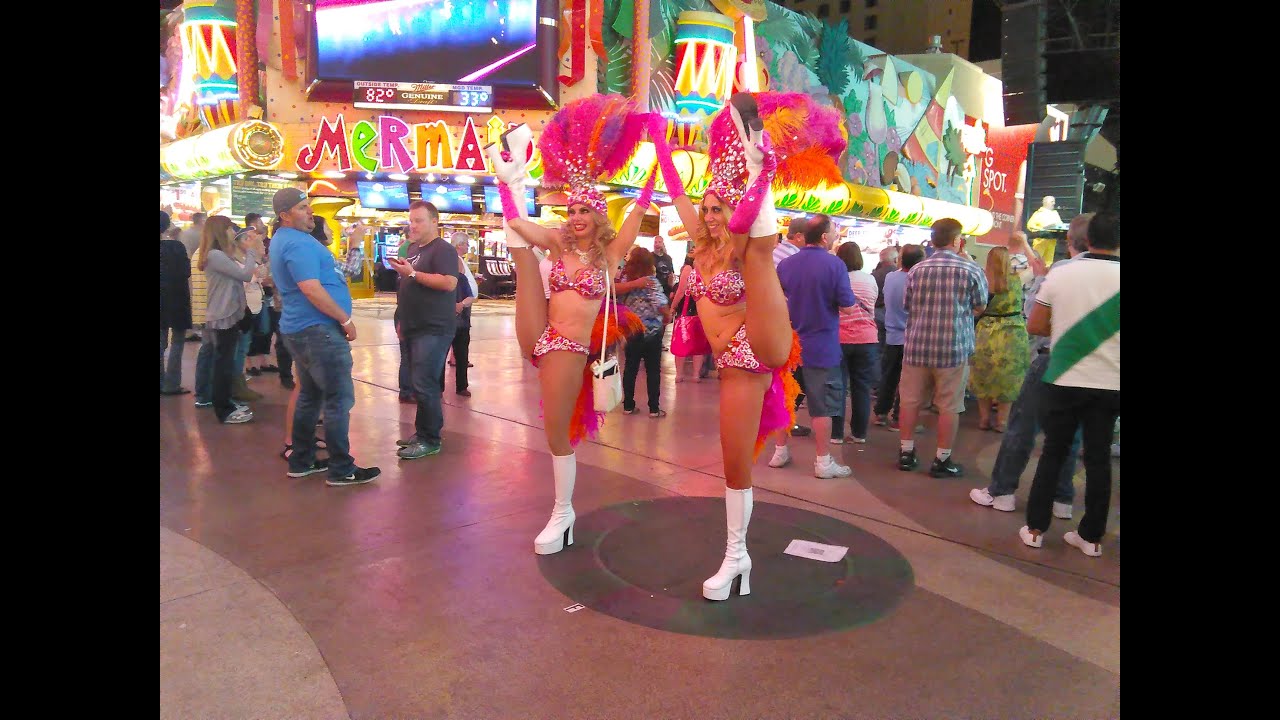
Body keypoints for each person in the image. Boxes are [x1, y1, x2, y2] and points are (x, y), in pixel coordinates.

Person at [650, 92, 843, 600]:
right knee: (733, 460)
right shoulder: (700, 247)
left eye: (718, 208)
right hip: (728, 359)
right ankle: (740, 559)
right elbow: (676, 190)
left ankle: (735, 556)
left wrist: (757, 177)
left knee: (756, 250)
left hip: (751, 348)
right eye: (707, 208)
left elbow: (753, 238)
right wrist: (659, 142)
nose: (710, 215)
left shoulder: (739, 245)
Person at [486, 94, 648, 556]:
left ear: (597, 217)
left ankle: (563, 512)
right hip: (542, 333)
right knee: (519, 250)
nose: (575, 218)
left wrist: (658, 166)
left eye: (583, 211)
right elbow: (517, 223)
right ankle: (563, 513)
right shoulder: (558, 246)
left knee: (557, 431)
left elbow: (637, 214)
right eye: (571, 211)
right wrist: (508, 184)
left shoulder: (609, 256)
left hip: (570, 349)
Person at [970, 214, 1092, 516]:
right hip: (1089, 364)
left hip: (1052, 354)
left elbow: (1035, 318)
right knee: (1070, 433)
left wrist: (1040, 279)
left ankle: (1002, 491)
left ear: (1070, 240)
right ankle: (1062, 499)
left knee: (1023, 427)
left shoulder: (1062, 271)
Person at [1019, 213, 1120, 557]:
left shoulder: (1062, 273)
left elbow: (1035, 325)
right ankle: (1091, 538)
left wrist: (1070, 331)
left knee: (1053, 452)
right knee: (1098, 458)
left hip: (1064, 376)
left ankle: (1035, 529)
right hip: (1111, 382)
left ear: (1087, 239)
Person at [269, 187, 380, 487]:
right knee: (338, 399)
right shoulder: (297, 243)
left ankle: (302, 460)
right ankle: (342, 469)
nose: (310, 212)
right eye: (302, 208)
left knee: (310, 395)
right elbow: (311, 288)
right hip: (317, 330)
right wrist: (344, 319)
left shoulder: (288, 240)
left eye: (308, 206)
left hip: (302, 329)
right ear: (285, 215)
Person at [897, 218, 988, 477]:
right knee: (950, 405)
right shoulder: (971, 270)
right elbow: (981, 305)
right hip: (953, 349)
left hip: (917, 347)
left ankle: (906, 453)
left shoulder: (916, 270)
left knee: (910, 401)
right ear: (957, 240)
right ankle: (942, 459)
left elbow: (907, 305)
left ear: (933, 240)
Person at [772, 216, 857, 477]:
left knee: (786, 400)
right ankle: (823, 462)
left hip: (790, 345)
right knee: (822, 406)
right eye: (833, 232)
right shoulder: (835, 265)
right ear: (823, 236)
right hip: (822, 347)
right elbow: (848, 306)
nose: (835, 236)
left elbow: (777, 298)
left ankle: (779, 451)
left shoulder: (786, 264)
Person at [385, 201, 463, 459]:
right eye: (411, 220)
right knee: (418, 382)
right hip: (413, 324)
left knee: (425, 382)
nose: (413, 225)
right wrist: (402, 319)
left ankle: (430, 438)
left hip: (434, 327)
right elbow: (406, 285)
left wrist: (412, 274)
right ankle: (422, 433)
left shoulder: (444, 250)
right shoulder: (413, 249)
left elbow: (449, 283)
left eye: (419, 220)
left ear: (434, 222)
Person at [197, 216, 261, 424]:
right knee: (223, 363)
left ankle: (226, 403)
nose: (234, 232)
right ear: (221, 230)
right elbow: (245, 275)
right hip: (223, 314)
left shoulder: (219, 254)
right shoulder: (215, 255)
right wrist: (250, 251)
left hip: (228, 313)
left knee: (225, 361)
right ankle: (223, 409)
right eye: (230, 228)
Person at [969, 246, 1030, 432]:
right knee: (1009, 378)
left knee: (983, 376)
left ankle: (984, 419)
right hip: (1013, 333)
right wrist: (1025, 245)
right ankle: (1002, 421)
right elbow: (1037, 266)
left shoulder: (982, 281)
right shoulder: (1018, 279)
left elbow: (975, 308)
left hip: (986, 332)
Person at [615, 246, 671, 416]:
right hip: (652, 332)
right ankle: (654, 408)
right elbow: (660, 304)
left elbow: (614, 293)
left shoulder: (625, 280)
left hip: (632, 330)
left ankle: (628, 405)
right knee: (653, 370)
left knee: (630, 367)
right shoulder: (651, 281)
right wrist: (667, 316)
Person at [833, 241, 879, 445]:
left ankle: (836, 434)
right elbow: (873, 303)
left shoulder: (837, 278)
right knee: (862, 388)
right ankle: (859, 433)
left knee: (838, 387)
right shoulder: (870, 279)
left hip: (840, 337)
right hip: (867, 338)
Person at [874, 244, 924, 429]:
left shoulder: (891, 277)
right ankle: (899, 418)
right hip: (911, 337)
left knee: (888, 377)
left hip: (891, 335)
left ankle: (881, 413)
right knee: (908, 382)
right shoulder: (917, 280)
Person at [160, 211, 194, 395]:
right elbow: (186, 271)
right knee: (178, 341)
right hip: (177, 298)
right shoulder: (177, 247)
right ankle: (172, 384)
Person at [668, 252, 712, 382]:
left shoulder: (688, 269)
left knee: (681, 342)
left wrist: (673, 306)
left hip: (686, 310)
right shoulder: (707, 267)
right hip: (701, 309)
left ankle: (679, 374)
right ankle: (696, 375)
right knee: (698, 344)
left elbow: (681, 290)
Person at [447, 231, 478, 372]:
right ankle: (459, 359)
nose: (468, 247)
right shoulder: (456, 259)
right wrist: (462, 302)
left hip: (464, 301)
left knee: (460, 333)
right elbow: (459, 281)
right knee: (461, 334)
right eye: (466, 244)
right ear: (459, 245)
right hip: (461, 303)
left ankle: (456, 358)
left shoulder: (458, 258)